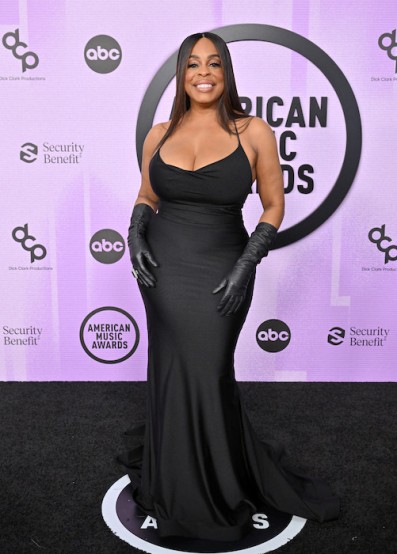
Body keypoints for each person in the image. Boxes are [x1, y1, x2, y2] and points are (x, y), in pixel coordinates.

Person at [118, 31, 340, 542]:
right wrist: (134, 233)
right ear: (181, 73)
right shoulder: (158, 133)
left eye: (214, 63)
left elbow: (273, 205)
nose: (203, 72)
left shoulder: (253, 130)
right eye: (193, 64)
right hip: (163, 271)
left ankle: (219, 482)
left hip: (224, 266)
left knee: (210, 370)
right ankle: (174, 480)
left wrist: (246, 264)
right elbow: (149, 194)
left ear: (226, 72)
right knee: (173, 370)